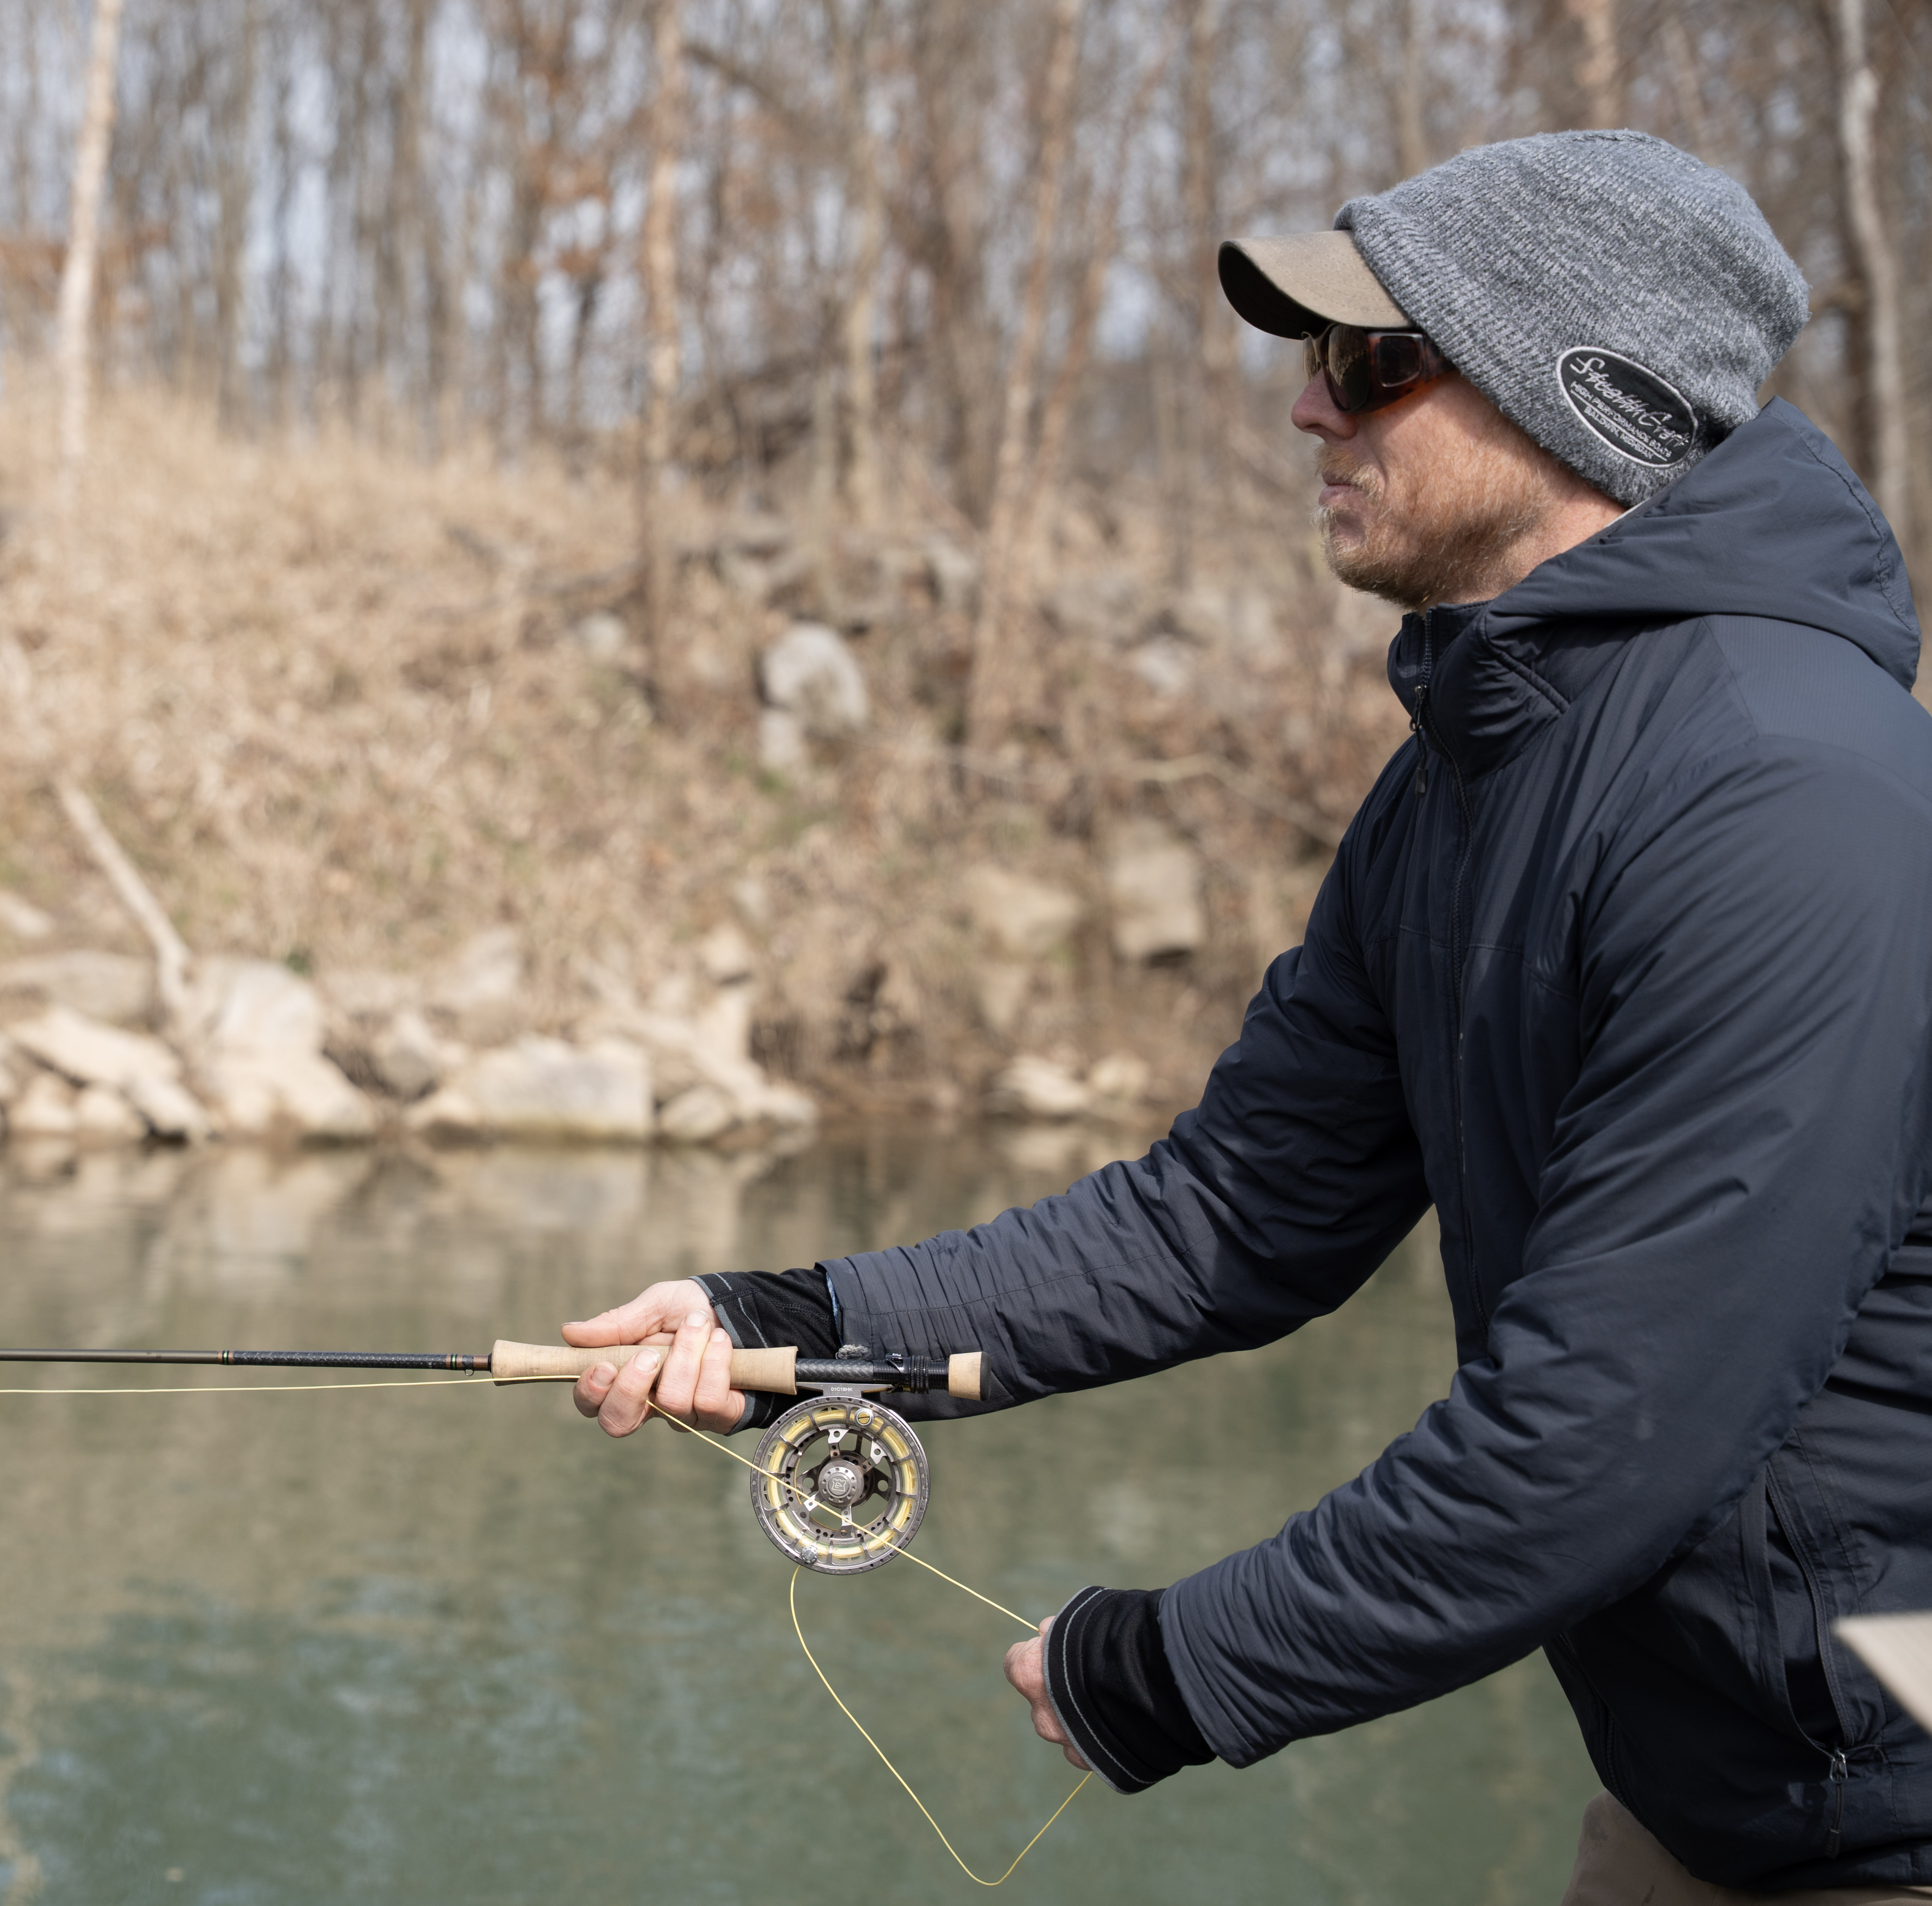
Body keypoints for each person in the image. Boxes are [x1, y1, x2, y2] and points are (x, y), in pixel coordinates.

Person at [567, 130, 1932, 1902]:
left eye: (1374, 362)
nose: (1311, 411)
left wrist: (1180, 1665)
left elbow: (1607, 1427)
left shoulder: (1783, 797)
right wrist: (786, 1333)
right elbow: (1234, 1214)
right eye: (1314, 360)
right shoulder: (1472, 773)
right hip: (1710, 1797)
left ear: (1586, 400)